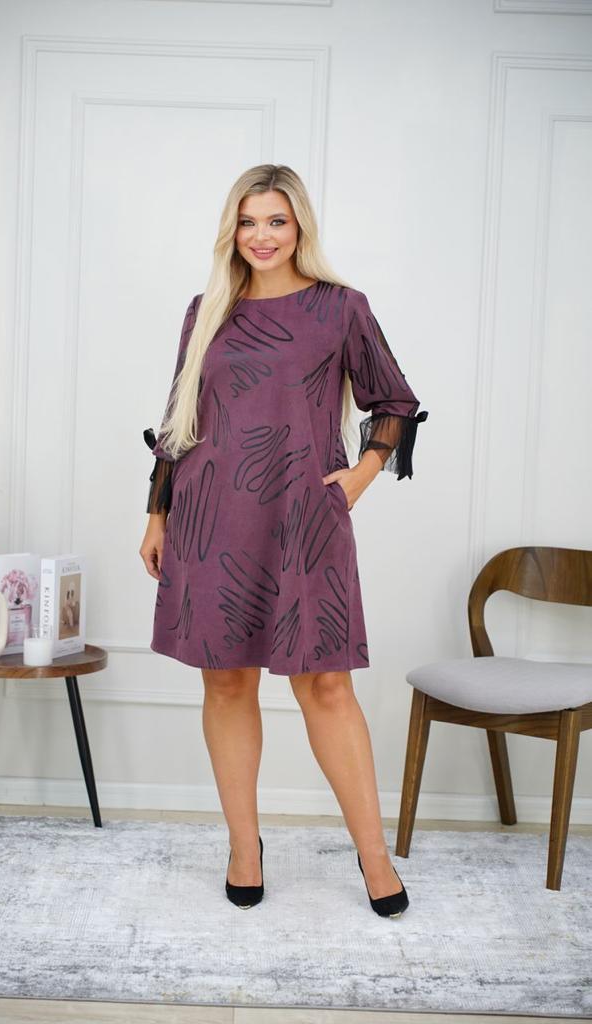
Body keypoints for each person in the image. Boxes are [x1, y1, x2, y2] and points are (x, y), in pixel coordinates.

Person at [139, 164, 428, 917]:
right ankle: (244, 846)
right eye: (248, 221)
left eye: (276, 220)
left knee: (326, 685)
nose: (261, 236)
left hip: (304, 518)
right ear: (230, 229)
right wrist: (157, 514)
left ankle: (373, 855)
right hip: (210, 517)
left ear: (299, 226)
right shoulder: (206, 311)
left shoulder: (341, 308)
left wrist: (361, 475)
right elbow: (179, 419)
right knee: (226, 682)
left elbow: (394, 400)